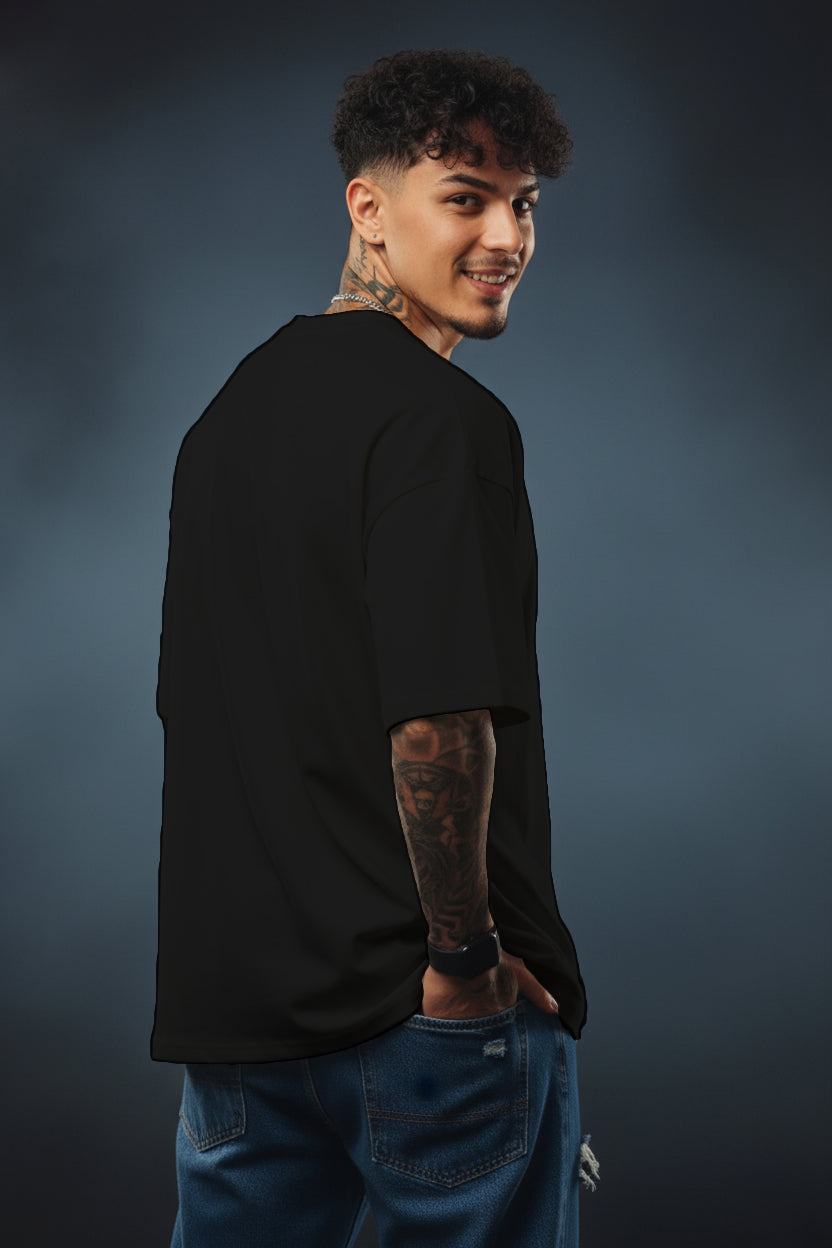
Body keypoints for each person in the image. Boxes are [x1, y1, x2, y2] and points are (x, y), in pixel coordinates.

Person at [151, 47, 598, 1248]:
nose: (506, 236)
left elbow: (202, 712)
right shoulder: (442, 422)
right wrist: (465, 960)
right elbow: (437, 715)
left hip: (240, 1018)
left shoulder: (226, 417)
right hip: (425, 1017)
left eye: (525, 204)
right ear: (368, 206)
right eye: (466, 197)